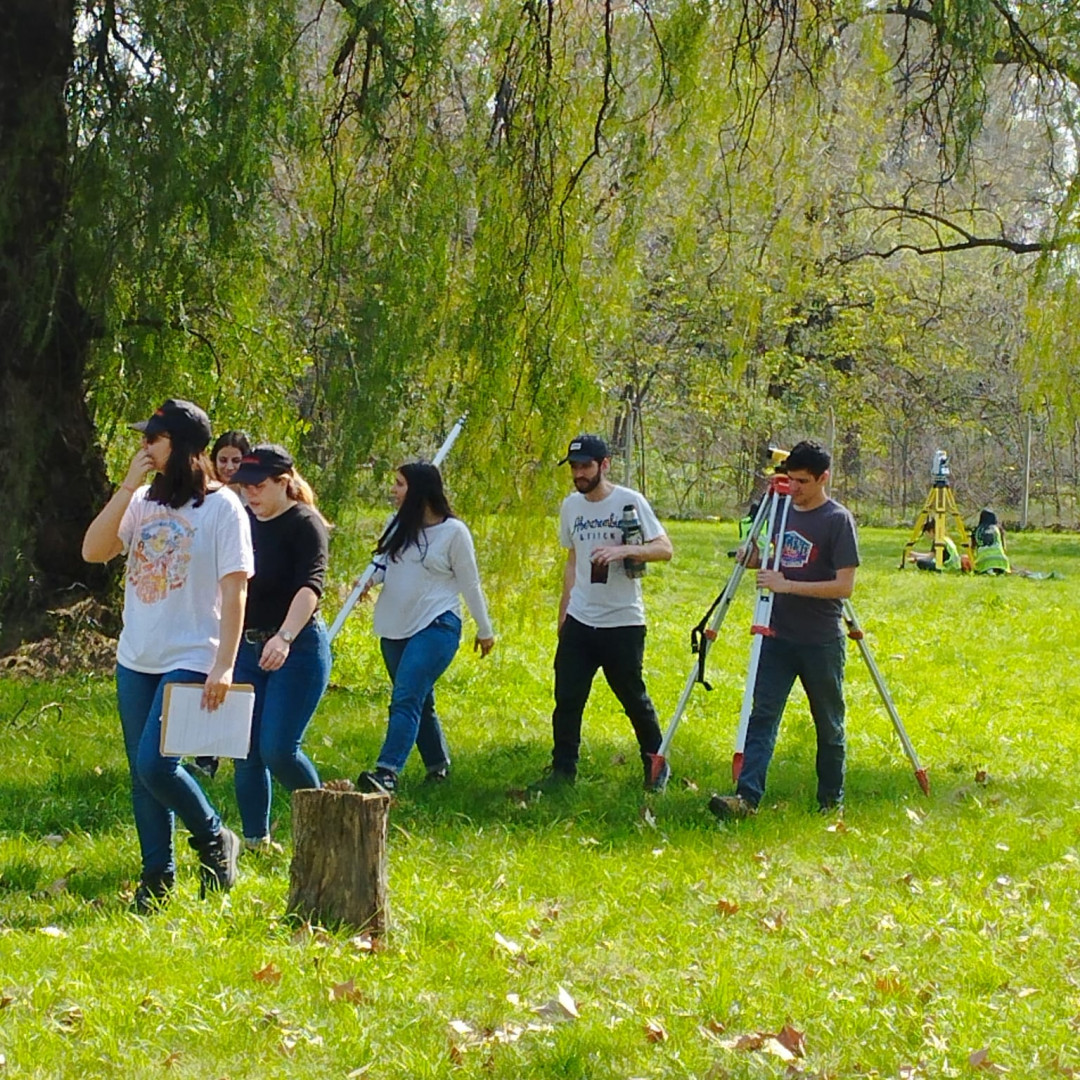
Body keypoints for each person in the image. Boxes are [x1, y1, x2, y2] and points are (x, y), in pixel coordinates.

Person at [82, 398, 253, 912]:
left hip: (190, 654)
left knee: (157, 767)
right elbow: (93, 550)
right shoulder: (143, 503)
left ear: (180, 445)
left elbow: (235, 589)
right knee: (141, 774)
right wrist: (127, 487)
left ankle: (214, 835)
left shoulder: (223, 507)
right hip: (137, 655)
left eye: (152, 439)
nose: (143, 447)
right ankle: (157, 877)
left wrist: (224, 663)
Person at [709, 440, 859, 819]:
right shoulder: (779, 510)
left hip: (820, 640)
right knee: (762, 715)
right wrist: (754, 559)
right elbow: (775, 560)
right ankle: (746, 798)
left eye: (803, 482)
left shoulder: (837, 520)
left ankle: (830, 801)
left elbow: (844, 587)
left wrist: (787, 585)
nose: (794, 489)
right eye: (789, 480)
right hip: (776, 636)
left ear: (824, 478)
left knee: (828, 723)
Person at [532, 433, 674, 793]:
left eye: (586, 466)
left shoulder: (629, 501)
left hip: (623, 621)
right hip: (581, 619)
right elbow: (572, 559)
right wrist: (564, 612)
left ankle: (656, 766)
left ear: (604, 465)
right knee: (567, 699)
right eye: (574, 467)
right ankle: (563, 772)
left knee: (633, 698)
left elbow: (664, 549)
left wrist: (625, 551)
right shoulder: (571, 507)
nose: (579, 474)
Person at [355, 462, 495, 795]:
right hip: (394, 627)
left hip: (437, 624)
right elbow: (382, 565)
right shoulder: (397, 526)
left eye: (400, 484)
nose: (393, 490)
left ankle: (387, 773)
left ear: (418, 490)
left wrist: (485, 629)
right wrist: (365, 582)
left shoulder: (454, 533)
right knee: (419, 698)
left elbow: (470, 583)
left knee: (405, 697)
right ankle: (438, 767)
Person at [228, 445, 331, 852]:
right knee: (246, 750)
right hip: (247, 648)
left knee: (278, 749)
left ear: (284, 483)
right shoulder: (243, 522)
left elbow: (312, 587)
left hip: (298, 647)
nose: (250, 494)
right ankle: (256, 841)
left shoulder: (305, 523)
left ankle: (328, 824)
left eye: (259, 485)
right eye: (245, 486)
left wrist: (285, 637)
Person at [189, 430, 251, 780]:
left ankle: (237, 748)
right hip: (214, 597)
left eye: (236, 461)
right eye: (222, 459)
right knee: (210, 675)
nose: (228, 467)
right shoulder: (207, 497)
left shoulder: (252, 500)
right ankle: (205, 755)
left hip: (243, 594)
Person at [972, 509, 1010, 575]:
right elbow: (1004, 548)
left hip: (984, 562)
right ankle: (998, 570)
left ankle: (989, 570)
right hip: (1001, 561)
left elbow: (972, 548)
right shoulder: (998, 529)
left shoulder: (977, 530)